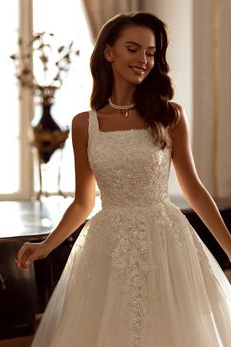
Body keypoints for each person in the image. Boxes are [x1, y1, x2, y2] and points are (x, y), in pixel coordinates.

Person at [16, 11, 231, 347]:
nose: (143, 60)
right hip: (108, 246)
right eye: (133, 49)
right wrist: (46, 246)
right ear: (108, 52)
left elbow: (194, 189)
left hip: (165, 242)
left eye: (150, 52)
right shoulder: (84, 125)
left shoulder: (169, 115)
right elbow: (83, 202)